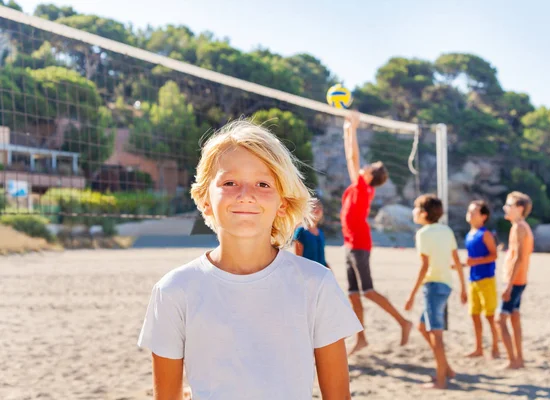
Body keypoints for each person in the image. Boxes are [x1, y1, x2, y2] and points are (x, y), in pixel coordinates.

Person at [138, 120, 363, 399]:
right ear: (205, 198)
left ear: (282, 202)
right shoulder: (173, 290)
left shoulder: (316, 284)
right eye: (230, 182)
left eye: (263, 183)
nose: (246, 195)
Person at [341, 111, 412, 355]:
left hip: (360, 243)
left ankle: (403, 322)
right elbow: (351, 158)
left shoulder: (362, 188)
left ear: (370, 175)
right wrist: (346, 129)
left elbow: (352, 157)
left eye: (367, 167)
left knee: (367, 291)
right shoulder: (358, 187)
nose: (363, 167)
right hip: (350, 244)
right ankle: (362, 338)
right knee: (353, 294)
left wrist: (353, 128)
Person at [405, 194, 467, 389]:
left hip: (432, 286)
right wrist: (463, 288)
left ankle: (441, 381)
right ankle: (447, 369)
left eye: (415, 208)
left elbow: (424, 267)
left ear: (423, 213)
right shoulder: (447, 230)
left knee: (436, 334)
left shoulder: (423, 234)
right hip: (446, 285)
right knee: (423, 327)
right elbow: (456, 261)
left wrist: (411, 295)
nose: (413, 211)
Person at [497, 191, 534, 370]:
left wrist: (509, 286)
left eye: (509, 205)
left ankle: (513, 360)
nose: (506, 208)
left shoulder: (519, 227)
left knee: (500, 320)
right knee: (514, 317)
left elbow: (518, 258)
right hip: (520, 279)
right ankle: (519, 357)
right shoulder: (522, 226)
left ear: (519, 208)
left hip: (515, 281)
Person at [464, 200, 500, 358]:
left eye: (474, 212)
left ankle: (495, 347)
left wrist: (475, 261)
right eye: (469, 211)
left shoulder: (485, 234)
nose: (470, 214)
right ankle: (478, 348)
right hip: (473, 279)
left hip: (486, 279)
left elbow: (494, 255)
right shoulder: (469, 234)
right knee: (474, 315)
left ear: (483, 216)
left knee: (490, 316)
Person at [293, 199, 329, 268]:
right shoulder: (301, 232)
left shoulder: (320, 233)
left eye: (320, 207)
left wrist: (330, 272)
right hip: (307, 274)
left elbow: (322, 259)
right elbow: (298, 260)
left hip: (320, 274)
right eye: (314, 207)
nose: (317, 210)